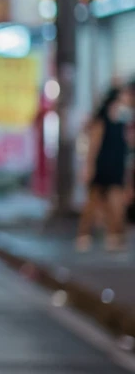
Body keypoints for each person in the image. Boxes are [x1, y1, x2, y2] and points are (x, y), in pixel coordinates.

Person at [75, 84, 134, 252]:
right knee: (92, 204)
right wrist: (88, 167)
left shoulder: (125, 122)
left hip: (117, 168)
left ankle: (114, 236)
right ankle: (84, 235)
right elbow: (93, 147)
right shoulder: (102, 122)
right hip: (101, 166)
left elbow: (127, 149)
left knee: (116, 203)